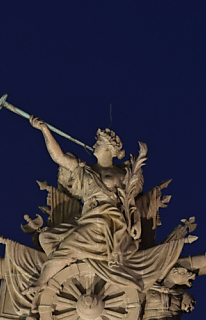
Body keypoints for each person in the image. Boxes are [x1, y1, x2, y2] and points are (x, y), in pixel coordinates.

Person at [28, 117, 142, 287]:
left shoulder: (121, 174)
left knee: (66, 247)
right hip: (86, 220)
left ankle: (42, 281)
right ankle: (74, 266)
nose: (95, 144)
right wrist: (44, 130)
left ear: (109, 149)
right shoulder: (85, 169)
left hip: (105, 223)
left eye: (99, 142)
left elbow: (130, 203)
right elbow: (58, 157)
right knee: (46, 237)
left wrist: (137, 223)